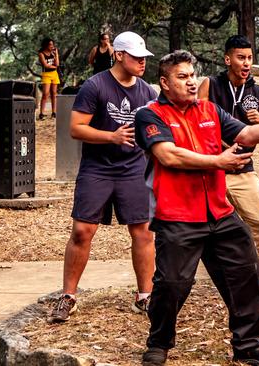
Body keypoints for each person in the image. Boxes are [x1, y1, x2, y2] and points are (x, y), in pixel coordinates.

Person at [134, 50, 259, 366]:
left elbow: (246, 133)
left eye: (193, 75)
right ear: (164, 82)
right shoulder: (150, 115)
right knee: (172, 284)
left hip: (219, 212)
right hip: (178, 216)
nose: (191, 82)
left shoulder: (209, 110)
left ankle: (249, 345)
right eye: (182, 77)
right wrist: (218, 161)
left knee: (246, 274)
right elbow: (168, 155)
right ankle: (158, 343)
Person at [49, 31, 157, 323]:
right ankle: (68, 296)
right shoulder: (95, 86)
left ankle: (145, 297)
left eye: (144, 58)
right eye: (136, 57)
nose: (142, 63)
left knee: (143, 231)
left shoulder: (148, 91)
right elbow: (76, 128)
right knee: (83, 231)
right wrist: (112, 136)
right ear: (119, 55)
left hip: (134, 168)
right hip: (97, 168)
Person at [198, 35, 259, 302]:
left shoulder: (258, 90)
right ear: (227, 59)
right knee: (194, 231)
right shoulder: (211, 84)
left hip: (243, 170)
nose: (246, 63)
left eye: (250, 58)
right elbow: (196, 117)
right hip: (209, 169)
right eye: (241, 58)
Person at [38, 37, 60, 120]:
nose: (52, 46)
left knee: (54, 93)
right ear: (46, 45)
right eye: (50, 44)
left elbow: (57, 64)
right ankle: (41, 113)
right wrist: (54, 66)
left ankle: (54, 112)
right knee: (46, 94)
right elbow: (45, 65)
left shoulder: (53, 53)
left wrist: (56, 54)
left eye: (52, 44)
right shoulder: (41, 54)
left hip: (54, 74)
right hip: (46, 74)